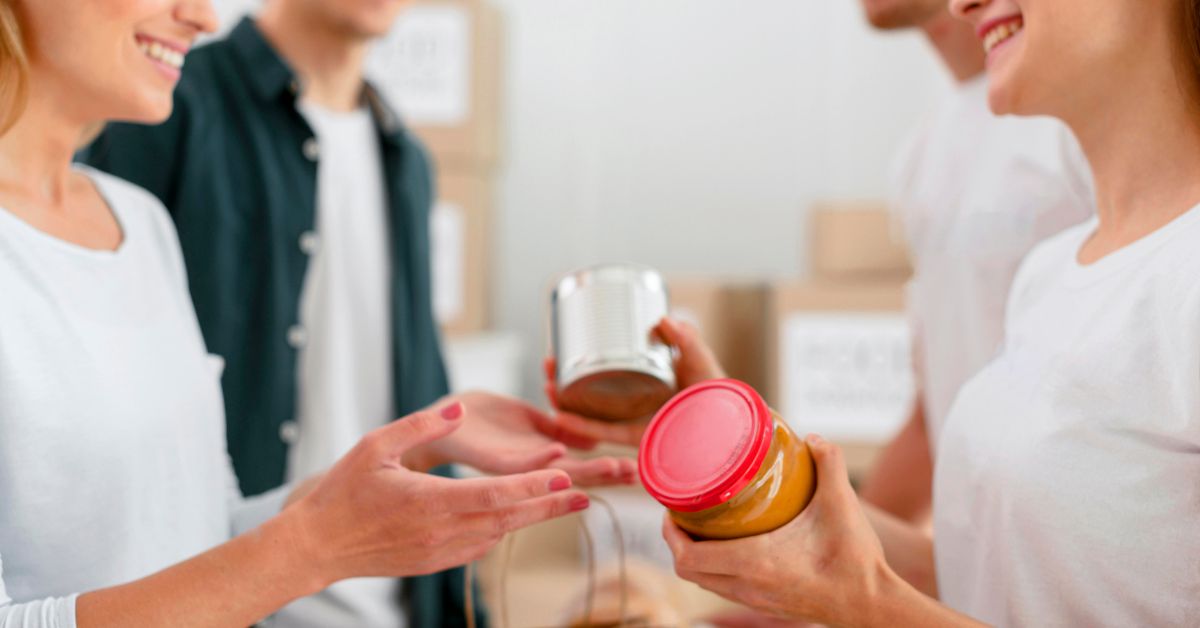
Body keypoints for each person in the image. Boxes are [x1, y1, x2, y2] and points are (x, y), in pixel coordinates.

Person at [0, 0, 631, 626]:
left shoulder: (138, 222)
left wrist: (416, 449)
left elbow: (206, 530)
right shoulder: (183, 131)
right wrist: (309, 551)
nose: (203, 16)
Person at [661, 0, 1200, 624]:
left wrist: (867, 608)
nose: (963, 4)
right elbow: (995, 579)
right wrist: (741, 448)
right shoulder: (1049, 275)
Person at [856, 0, 1094, 524]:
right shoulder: (923, 150)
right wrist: (808, 586)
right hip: (997, 581)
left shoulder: (1077, 118)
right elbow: (938, 414)